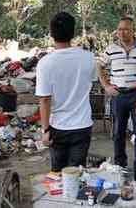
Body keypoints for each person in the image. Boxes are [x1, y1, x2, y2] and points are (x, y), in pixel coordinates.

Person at [36, 12, 97, 172]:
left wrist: (45, 130)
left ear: (51, 34)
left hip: (58, 127)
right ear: (73, 33)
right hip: (82, 125)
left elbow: (44, 100)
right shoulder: (89, 58)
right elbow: (91, 82)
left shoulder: (45, 63)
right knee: (77, 173)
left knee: (57, 174)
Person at [97, 17, 136, 184]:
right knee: (118, 133)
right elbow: (98, 65)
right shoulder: (111, 49)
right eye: (119, 29)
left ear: (134, 30)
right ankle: (120, 167)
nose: (122, 32)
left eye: (126, 29)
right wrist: (106, 85)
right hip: (118, 95)